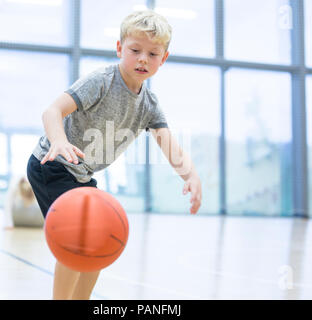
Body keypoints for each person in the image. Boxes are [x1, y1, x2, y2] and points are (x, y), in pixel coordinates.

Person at [26, 10, 202, 300]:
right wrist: (58, 140)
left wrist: (192, 176)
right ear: (120, 48)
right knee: (76, 242)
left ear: (164, 59)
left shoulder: (149, 106)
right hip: (52, 164)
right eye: (135, 50)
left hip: (80, 174)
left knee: (95, 246)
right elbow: (52, 110)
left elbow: (170, 147)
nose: (143, 59)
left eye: (152, 54)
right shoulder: (102, 82)